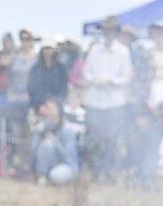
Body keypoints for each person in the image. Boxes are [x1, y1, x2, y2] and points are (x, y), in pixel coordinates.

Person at [81, 16, 133, 180]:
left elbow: (127, 76)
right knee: (94, 139)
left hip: (114, 102)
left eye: (111, 31)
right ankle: (95, 171)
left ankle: (109, 172)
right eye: (106, 31)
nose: (108, 34)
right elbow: (86, 71)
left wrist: (111, 81)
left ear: (116, 33)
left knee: (112, 139)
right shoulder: (94, 50)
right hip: (94, 100)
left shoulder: (123, 52)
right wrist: (94, 79)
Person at [7, 29, 38, 174]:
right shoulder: (15, 57)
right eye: (22, 39)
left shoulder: (36, 58)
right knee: (16, 132)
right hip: (14, 100)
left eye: (27, 39)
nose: (25, 42)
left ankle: (29, 163)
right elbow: (9, 76)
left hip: (30, 100)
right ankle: (19, 162)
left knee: (29, 132)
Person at [31, 98, 79, 185]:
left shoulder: (67, 129)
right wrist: (38, 137)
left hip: (66, 165)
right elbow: (34, 151)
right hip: (51, 164)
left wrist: (56, 142)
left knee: (56, 176)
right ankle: (42, 176)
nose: (48, 111)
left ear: (59, 110)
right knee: (47, 144)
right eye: (47, 108)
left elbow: (68, 156)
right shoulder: (42, 126)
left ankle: (54, 178)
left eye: (51, 108)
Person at [27, 38, 68, 112]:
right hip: (39, 105)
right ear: (42, 50)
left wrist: (55, 102)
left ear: (54, 50)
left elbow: (64, 88)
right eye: (45, 48)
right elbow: (32, 89)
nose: (47, 51)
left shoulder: (61, 68)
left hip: (57, 106)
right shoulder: (36, 68)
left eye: (50, 48)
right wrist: (43, 103)